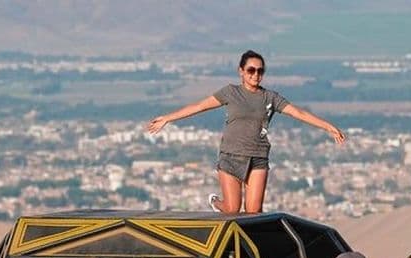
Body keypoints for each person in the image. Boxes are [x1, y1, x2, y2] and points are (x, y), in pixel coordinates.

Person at [148, 50, 346, 214]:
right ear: (241, 71)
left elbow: (298, 112)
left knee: (254, 212)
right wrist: (168, 118)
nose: (255, 75)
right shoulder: (231, 92)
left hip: (258, 157)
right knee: (232, 209)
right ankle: (216, 202)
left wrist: (328, 126)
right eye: (251, 70)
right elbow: (200, 106)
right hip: (231, 155)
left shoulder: (270, 97)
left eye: (260, 71)